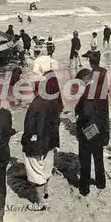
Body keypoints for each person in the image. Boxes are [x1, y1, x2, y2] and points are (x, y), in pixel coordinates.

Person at [21, 71, 63, 210]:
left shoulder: (37, 103)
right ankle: (46, 192)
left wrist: (26, 141)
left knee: (35, 172)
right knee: (46, 167)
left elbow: (30, 127)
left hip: (37, 143)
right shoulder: (53, 101)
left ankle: (40, 204)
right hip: (49, 142)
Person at [74, 62, 109, 197]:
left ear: (84, 80)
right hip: (100, 127)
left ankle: (85, 188)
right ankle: (101, 183)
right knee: (98, 156)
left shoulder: (88, 91)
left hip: (89, 129)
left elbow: (87, 112)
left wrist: (79, 119)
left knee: (85, 158)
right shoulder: (99, 88)